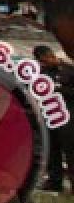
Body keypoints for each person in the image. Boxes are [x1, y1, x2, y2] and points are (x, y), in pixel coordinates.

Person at [35, 44, 74, 191]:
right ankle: (55, 182)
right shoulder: (40, 74)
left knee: (70, 152)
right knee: (53, 151)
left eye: (52, 56)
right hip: (50, 118)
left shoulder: (68, 70)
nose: (53, 59)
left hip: (69, 118)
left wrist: (59, 89)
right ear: (41, 60)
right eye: (48, 58)